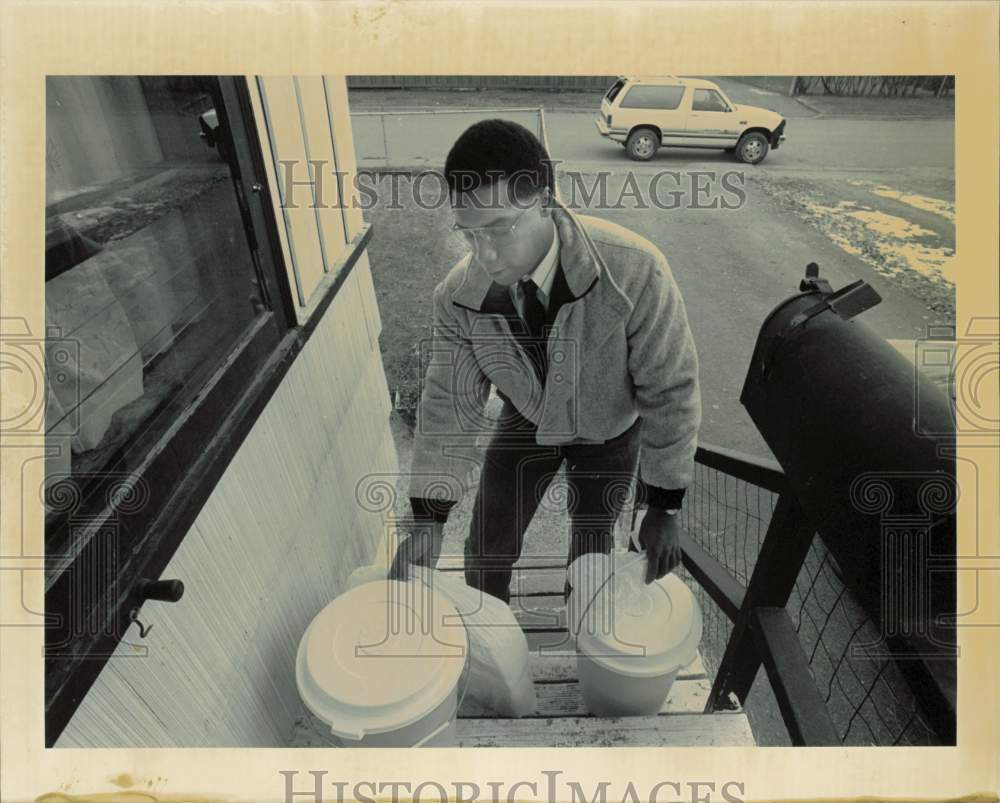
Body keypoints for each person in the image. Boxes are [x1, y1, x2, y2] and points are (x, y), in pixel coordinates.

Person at [388, 119, 701, 603]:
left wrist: (663, 506)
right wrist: (428, 519)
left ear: (546, 202)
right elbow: (449, 404)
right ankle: (494, 638)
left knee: (592, 556)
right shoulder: (456, 298)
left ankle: (587, 630)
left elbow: (670, 388)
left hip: (610, 429)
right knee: (485, 550)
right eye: (469, 234)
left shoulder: (636, 270)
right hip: (527, 419)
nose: (484, 254)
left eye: (499, 229)